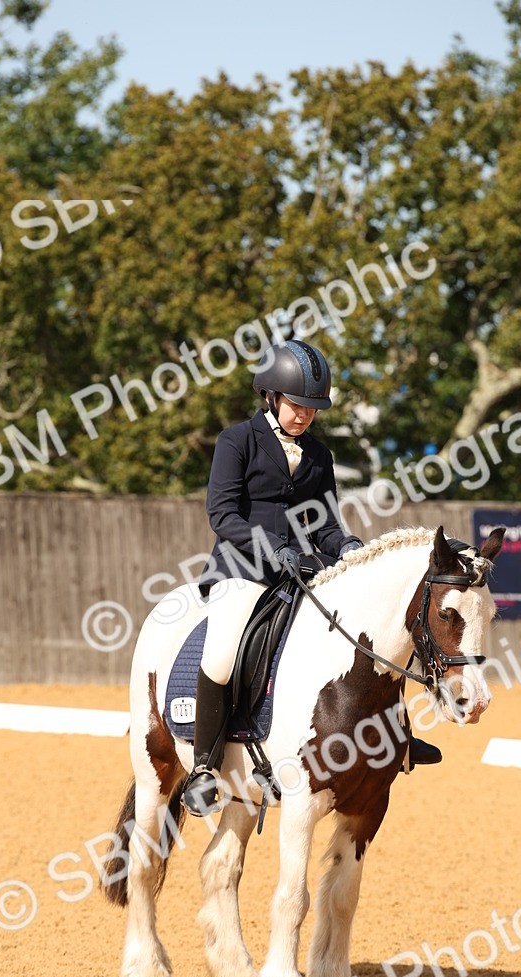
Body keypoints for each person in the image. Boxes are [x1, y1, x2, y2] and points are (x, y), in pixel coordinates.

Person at [181, 338, 440, 817]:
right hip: (242, 571)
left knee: (373, 635)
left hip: (301, 572)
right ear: (271, 397)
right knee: (222, 652)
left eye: (311, 408)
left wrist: (350, 548)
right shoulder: (236, 441)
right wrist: (272, 549)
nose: (303, 415)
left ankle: (397, 736)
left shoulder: (319, 455)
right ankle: (203, 766)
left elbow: (324, 522)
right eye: (296, 404)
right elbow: (223, 515)